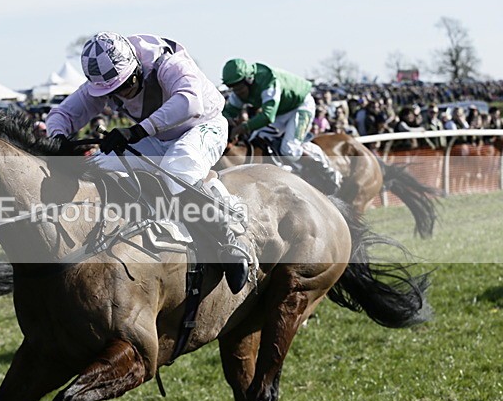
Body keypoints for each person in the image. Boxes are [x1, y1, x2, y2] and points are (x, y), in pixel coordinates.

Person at [46, 32, 249, 294]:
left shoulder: (167, 62)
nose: (118, 95)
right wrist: (58, 139)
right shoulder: (108, 77)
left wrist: (136, 131)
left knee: (179, 167)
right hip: (157, 135)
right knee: (98, 165)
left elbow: (190, 103)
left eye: (123, 87)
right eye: (111, 92)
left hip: (203, 125)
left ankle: (228, 240)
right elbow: (62, 113)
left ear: (136, 69)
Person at [222, 58, 341, 193]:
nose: (237, 92)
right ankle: (284, 168)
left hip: (301, 106)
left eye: (239, 88)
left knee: (289, 149)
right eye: (233, 88)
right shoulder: (239, 91)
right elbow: (227, 113)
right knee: (257, 137)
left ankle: (327, 170)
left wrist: (241, 128)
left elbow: (267, 116)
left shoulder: (267, 81)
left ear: (249, 80)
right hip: (280, 111)